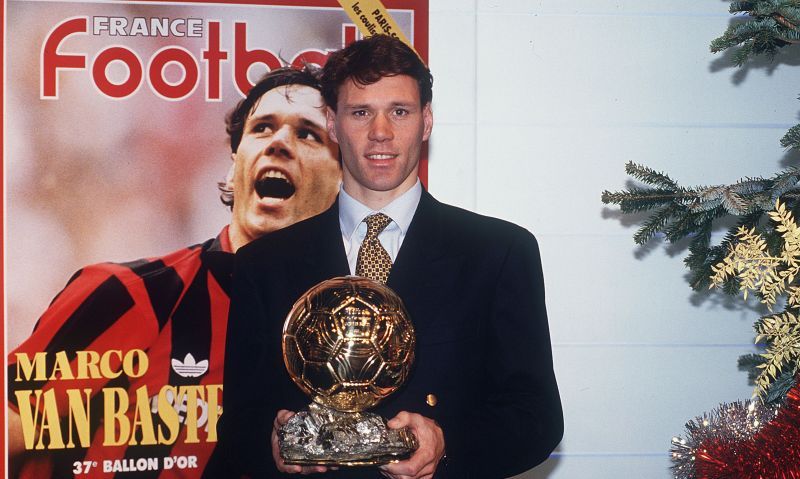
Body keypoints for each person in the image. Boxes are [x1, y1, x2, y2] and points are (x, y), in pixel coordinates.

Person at [219, 35, 563, 479]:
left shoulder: (498, 252)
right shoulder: (263, 264)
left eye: (399, 112)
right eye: (360, 112)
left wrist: (445, 443)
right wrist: (271, 445)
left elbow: (537, 418)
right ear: (332, 123)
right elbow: (238, 431)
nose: (380, 132)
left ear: (426, 121)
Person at [7, 66, 341, 479]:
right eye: (261, 128)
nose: (278, 143)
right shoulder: (126, 295)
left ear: (344, 180)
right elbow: (11, 433)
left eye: (308, 134)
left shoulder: (359, 341)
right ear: (235, 164)